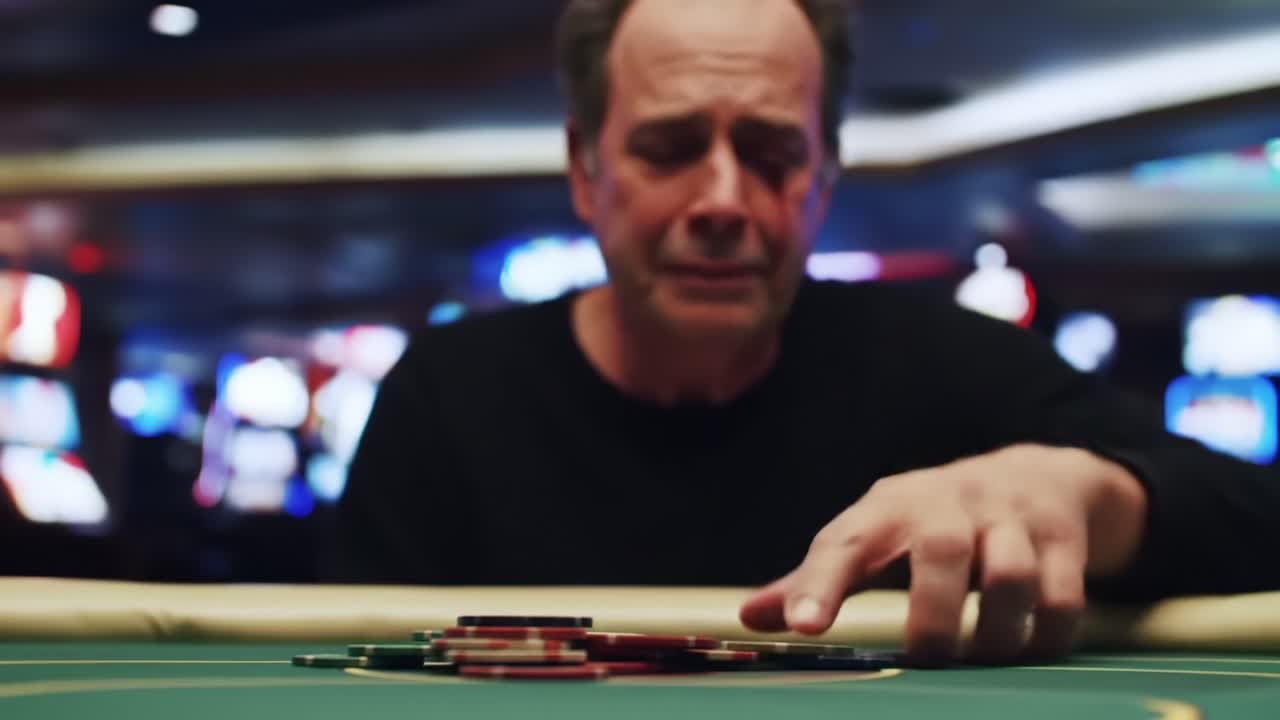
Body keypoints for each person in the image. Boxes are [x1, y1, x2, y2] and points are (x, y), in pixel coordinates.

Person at [334, 0, 1280, 664]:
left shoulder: (951, 364)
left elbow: (1252, 517)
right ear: (587, 171)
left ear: (825, 175)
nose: (721, 200)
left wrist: (1090, 493)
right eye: (668, 150)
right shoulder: (448, 395)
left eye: (772, 153)